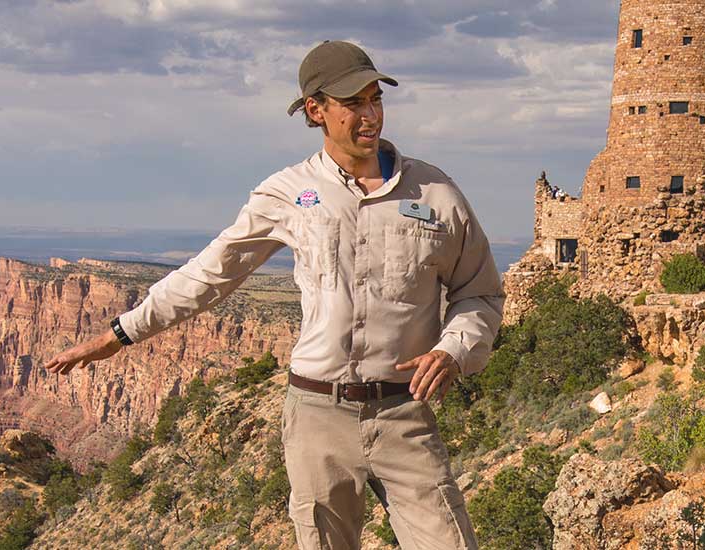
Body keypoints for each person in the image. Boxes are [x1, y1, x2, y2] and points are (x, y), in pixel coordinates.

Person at [43, 40, 502, 550]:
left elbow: (479, 293)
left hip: (403, 414)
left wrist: (453, 349)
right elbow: (210, 273)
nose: (370, 116)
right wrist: (121, 333)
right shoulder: (288, 192)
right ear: (316, 110)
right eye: (354, 104)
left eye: (376, 100)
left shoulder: (436, 193)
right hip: (316, 416)